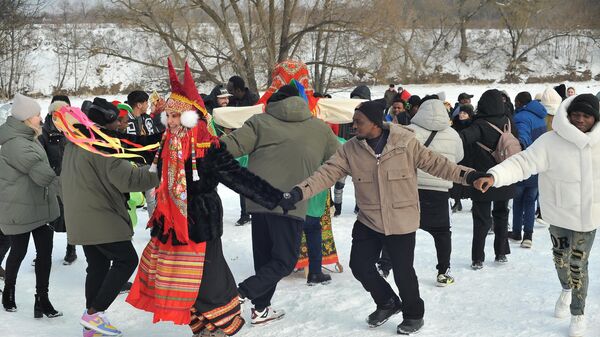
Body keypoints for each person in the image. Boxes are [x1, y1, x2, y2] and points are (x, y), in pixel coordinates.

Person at [279, 100, 479, 335]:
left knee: (403, 271)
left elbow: (438, 164)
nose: (353, 126)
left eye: (358, 122)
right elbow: (326, 174)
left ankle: (414, 314)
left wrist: (471, 176)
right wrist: (298, 192)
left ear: (375, 123)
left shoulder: (404, 142)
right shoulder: (350, 149)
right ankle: (387, 302)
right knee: (360, 265)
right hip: (370, 219)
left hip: (401, 219)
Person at [127, 60, 284, 337]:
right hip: (172, 224)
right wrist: (91, 135)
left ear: (190, 117)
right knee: (182, 278)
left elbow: (237, 176)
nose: (173, 122)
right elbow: (128, 145)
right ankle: (201, 325)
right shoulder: (164, 143)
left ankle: (220, 325)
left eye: (177, 117)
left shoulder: (206, 147)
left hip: (201, 222)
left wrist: (274, 198)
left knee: (209, 277)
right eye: (169, 117)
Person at [473, 94, 600, 337]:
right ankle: (565, 289)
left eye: (586, 115)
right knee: (561, 260)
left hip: (590, 217)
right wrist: (494, 176)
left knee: (578, 263)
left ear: (595, 118)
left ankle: (578, 312)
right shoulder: (550, 142)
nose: (580, 119)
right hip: (560, 214)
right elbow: (522, 163)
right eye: (576, 115)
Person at [221, 84, 340, 325]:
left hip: (259, 200)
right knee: (285, 261)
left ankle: (261, 309)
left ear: (273, 103)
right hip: (291, 203)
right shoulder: (319, 128)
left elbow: (227, 148)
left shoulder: (259, 122)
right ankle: (239, 294)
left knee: (265, 259)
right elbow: (341, 159)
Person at [60, 98, 160, 337]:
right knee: (126, 260)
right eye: (118, 120)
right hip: (100, 217)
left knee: (98, 265)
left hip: (80, 217)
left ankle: (91, 325)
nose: (122, 125)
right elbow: (130, 180)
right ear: (107, 123)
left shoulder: (76, 142)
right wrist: (161, 167)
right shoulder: (102, 146)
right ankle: (94, 313)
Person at [0, 93, 62, 318]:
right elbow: (42, 174)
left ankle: (42, 299)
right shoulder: (17, 143)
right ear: (26, 118)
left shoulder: (28, 137)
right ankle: (8, 292)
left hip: (38, 204)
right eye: (37, 114)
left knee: (45, 252)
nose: (40, 118)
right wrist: (67, 187)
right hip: (19, 208)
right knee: (19, 251)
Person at [459, 89, 518, 269]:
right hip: (505, 176)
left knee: (481, 220)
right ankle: (501, 253)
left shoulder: (479, 125)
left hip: (483, 178)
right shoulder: (509, 122)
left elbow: (461, 139)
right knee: (501, 215)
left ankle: (478, 258)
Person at [407, 99, 464, 286]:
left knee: (404, 229)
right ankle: (443, 271)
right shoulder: (453, 134)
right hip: (440, 189)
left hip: (412, 188)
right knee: (442, 233)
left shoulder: (410, 131)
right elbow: (459, 157)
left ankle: (392, 264)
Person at [39, 98, 78, 265]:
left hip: (71, 179)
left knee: (71, 216)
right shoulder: (43, 131)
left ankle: (72, 249)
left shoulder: (74, 127)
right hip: (51, 179)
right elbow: (39, 155)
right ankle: (43, 253)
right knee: (47, 218)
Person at [509, 92, 547, 248]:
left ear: (518, 102)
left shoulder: (521, 117)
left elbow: (523, 138)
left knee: (518, 199)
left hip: (525, 164)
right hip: (538, 164)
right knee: (530, 201)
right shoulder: (540, 116)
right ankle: (528, 236)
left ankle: (517, 232)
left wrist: (517, 155)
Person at [126, 90, 162, 220]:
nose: (148, 105)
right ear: (139, 104)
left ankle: (155, 230)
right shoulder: (125, 120)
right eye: (146, 102)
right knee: (130, 200)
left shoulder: (147, 119)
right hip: (131, 165)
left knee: (152, 198)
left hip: (149, 164)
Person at [450, 104, 474, 212]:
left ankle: (474, 202)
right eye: (460, 112)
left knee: (471, 179)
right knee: (456, 179)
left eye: (464, 113)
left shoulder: (473, 126)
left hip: (470, 156)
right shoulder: (454, 125)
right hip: (458, 156)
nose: (461, 115)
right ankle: (457, 201)